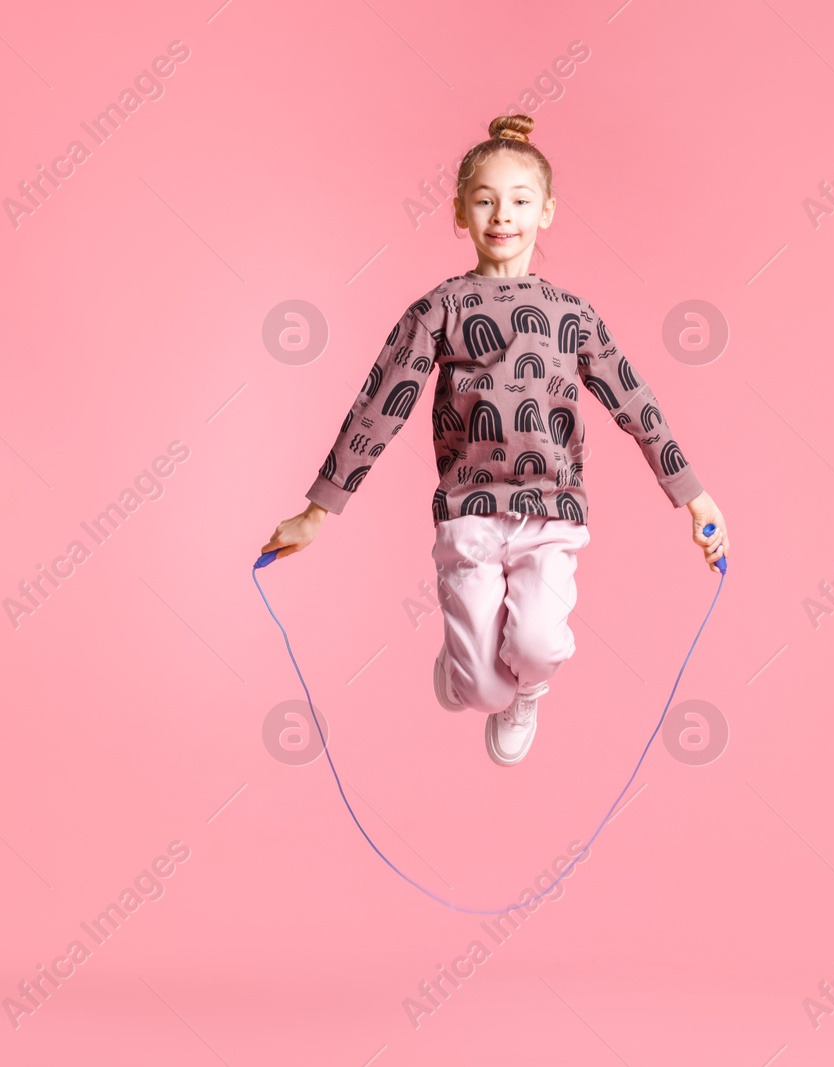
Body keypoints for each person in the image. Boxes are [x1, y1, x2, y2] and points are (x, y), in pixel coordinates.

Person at [261, 113, 729, 766]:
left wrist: (695, 498)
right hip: (468, 513)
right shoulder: (439, 310)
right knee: (477, 691)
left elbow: (634, 399)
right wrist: (317, 512)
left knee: (536, 645)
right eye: (484, 200)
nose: (501, 214)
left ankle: (526, 691)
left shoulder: (573, 317)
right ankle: (467, 666)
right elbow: (379, 406)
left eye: (518, 200)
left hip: (552, 511)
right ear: (460, 212)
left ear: (547, 211)